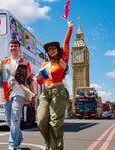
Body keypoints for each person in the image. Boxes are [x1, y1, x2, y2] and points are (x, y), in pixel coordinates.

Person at [0, 39, 36, 150]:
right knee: (8, 119)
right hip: (6, 94)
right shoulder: (4, 62)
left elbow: (30, 79)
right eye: (11, 46)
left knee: (15, 118)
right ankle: (19, 136)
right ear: (9, 48)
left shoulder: (25, 63)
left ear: (19, 48)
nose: (13, 48)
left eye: (15, 46)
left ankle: (12, 144)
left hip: (19, 93)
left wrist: (33, 95)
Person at [36, 20, 73, 150]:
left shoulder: (63, 61)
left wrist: (69, 27)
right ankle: (48, 142)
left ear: (57, 50)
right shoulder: (44, 65)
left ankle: (56, 148)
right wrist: (38, 79)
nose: (51, 51)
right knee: (41, 120)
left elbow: (67, 43)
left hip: (59, 92)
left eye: (53, 49)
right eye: (49, 49)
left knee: (56, 123)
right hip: (45, 93)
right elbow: (41, 81)